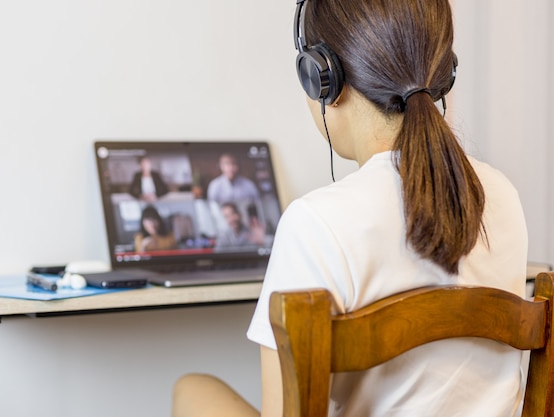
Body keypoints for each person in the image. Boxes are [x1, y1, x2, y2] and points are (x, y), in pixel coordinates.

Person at [172, 0, 528, 416]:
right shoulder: (502, 196)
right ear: (443, 73)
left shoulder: (315, 224)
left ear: (323, 79)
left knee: (192, 388)